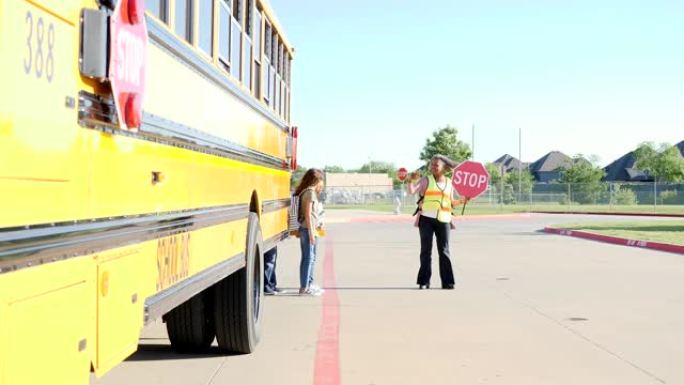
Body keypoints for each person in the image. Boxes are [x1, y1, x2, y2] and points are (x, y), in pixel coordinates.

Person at [407, 155, 466, 290]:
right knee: (425, 251)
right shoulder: (425, 180)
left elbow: (451, 202)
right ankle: (424, 282)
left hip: (444, 219)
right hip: (426, 220)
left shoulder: (449, 182)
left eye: (436, 165)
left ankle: (448, 282)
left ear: (444, 167)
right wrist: (410, 180)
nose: (433, 167)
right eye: (431, 165)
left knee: (444, 251)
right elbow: (411, 191)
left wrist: (463, 200)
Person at [294, 168, 326, 295]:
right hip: (308, 229)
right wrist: (312, 233)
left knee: (309, 258)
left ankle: (308, 284)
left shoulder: (305, 192)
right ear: (316, 180)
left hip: (309, 228)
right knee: (308, 258)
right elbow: (308, 214)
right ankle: (304, 287)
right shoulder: (310, 193)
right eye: (321, 180)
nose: (322, 184)